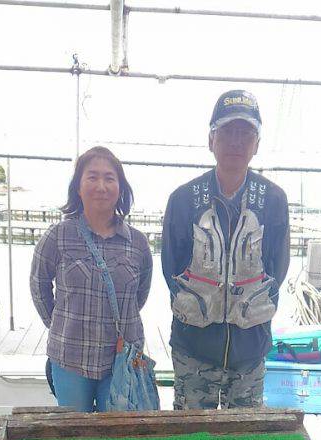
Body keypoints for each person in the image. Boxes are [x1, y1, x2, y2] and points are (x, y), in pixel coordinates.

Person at [162, 89, 290, 409]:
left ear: (257, 144)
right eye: (227, 131)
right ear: (211, 140)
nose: (236, 141)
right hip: (193, 348)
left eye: (245, 132)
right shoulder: (182, 199)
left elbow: (279, 267)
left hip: (250, 350)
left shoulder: (274, 200)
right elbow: (170, 267)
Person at [30, 146, 153, 412]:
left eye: (110, 178)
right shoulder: (57, 236)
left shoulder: (138, 243)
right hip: (70, 358)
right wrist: (61, 324)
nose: (101, 185)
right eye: (92, 177)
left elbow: (140, 294)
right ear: (78, 187)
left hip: (122, 360)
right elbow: (38, 286)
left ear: (120, 188)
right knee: (75, 437)